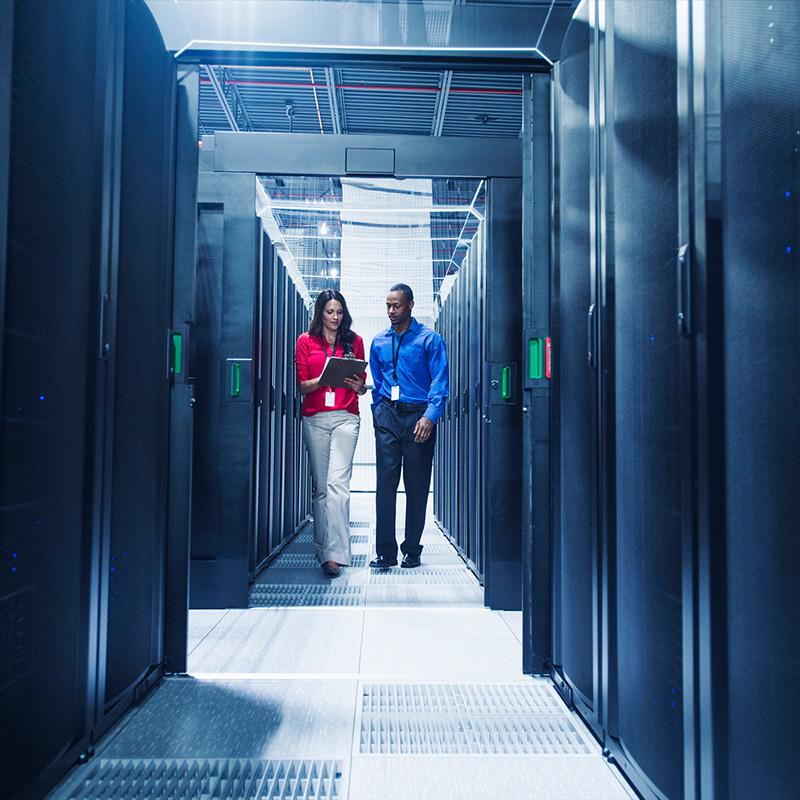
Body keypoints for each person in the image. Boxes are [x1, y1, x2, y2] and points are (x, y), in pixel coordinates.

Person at [368, 283, 449, 569]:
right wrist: (378, 409)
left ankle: (412, 550)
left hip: (419, 418)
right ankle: (385, 553)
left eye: (397, 305)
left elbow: (440, 382)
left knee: (417, 487)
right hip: (388, 416)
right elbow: (378, 382)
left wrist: (430, 416)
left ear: (410, 305)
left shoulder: (430, 340)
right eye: (388, 305)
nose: (391, 311)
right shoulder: (378, 342)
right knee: (385, 487)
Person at [296, 290, 367, 577]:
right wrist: (323, 378)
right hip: (315, 417)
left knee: (339, 485)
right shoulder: (305, 341)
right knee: (322, 488)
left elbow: (361, 384)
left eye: (339, 312)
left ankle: (335, 555)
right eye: (329, 312)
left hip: (346, 416)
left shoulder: (355, 342)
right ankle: (323, 550)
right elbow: (302, 386)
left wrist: (359, 386)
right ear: (320, 313)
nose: (335, 317)